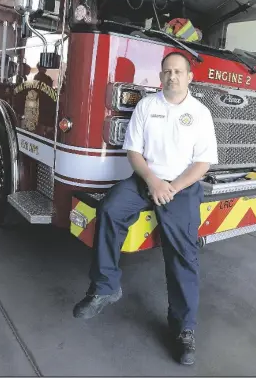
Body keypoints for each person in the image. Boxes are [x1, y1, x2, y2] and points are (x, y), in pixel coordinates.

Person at [73, 52, 218, 365]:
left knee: (183, 253)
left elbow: (203, 163)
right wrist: (152, 181)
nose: (172, 77)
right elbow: (134, 152)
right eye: (167, 72)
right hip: (145, 180)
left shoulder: (201, 113)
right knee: (110, 209)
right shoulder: (147, 106)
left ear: (190, 77)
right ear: (161, 76)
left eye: (178, 72)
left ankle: (184, 329)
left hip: (181, 187)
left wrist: (173, 188)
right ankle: (105, 287)